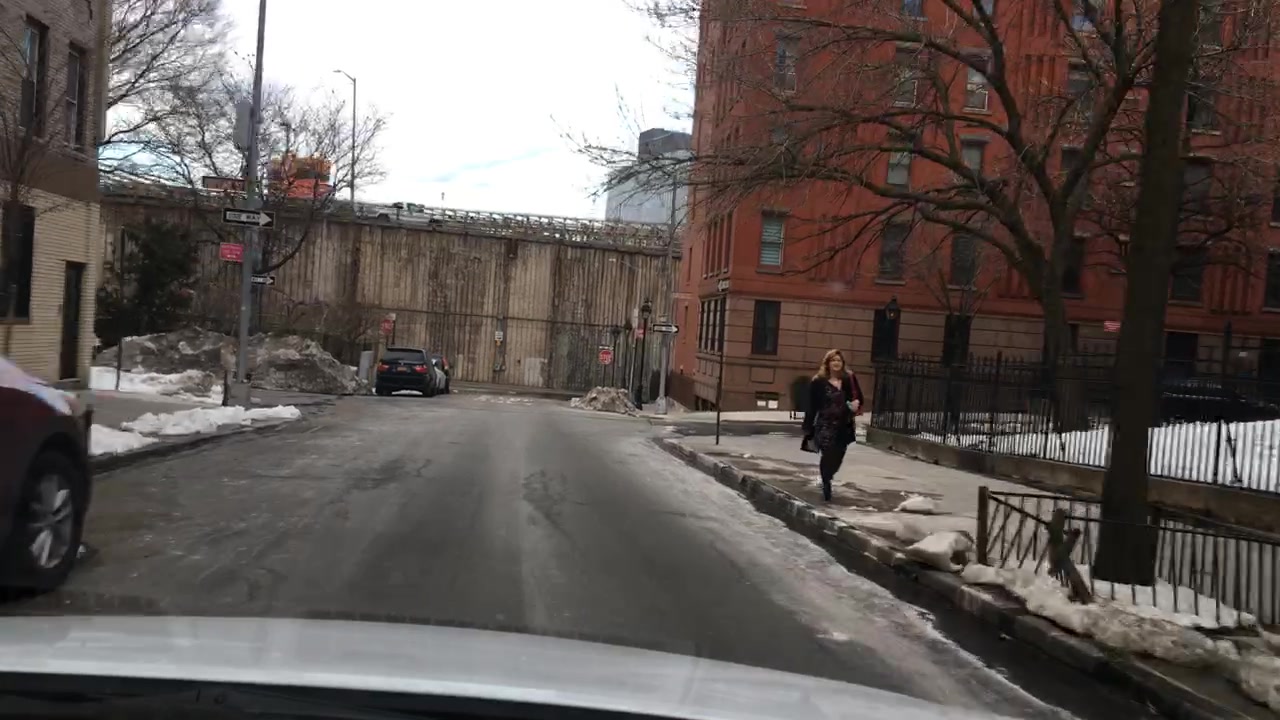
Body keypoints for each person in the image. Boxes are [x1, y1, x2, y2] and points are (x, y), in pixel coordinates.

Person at [801, 349, 864, 502]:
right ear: (828, 363)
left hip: (843, 425)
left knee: (839, 455)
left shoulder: (848, 379)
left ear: (843, 363)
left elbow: (859, 397)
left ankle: (828, 475)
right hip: (825, 424)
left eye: (839, 360)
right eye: (833, 360)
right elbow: (811, 405)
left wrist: (856, 404)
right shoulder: (818, 382)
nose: (836, 363)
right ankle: (826, 481)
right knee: (828, 453)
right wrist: (808, 427)